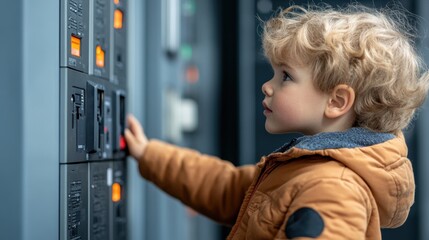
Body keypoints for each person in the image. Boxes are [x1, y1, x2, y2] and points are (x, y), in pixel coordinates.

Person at [125, 4, 429, 239]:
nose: (267, 86)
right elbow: (227, 187)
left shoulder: (332, 188)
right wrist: (149, 154)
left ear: (336, 102)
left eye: (285, 76)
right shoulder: (306, 168)